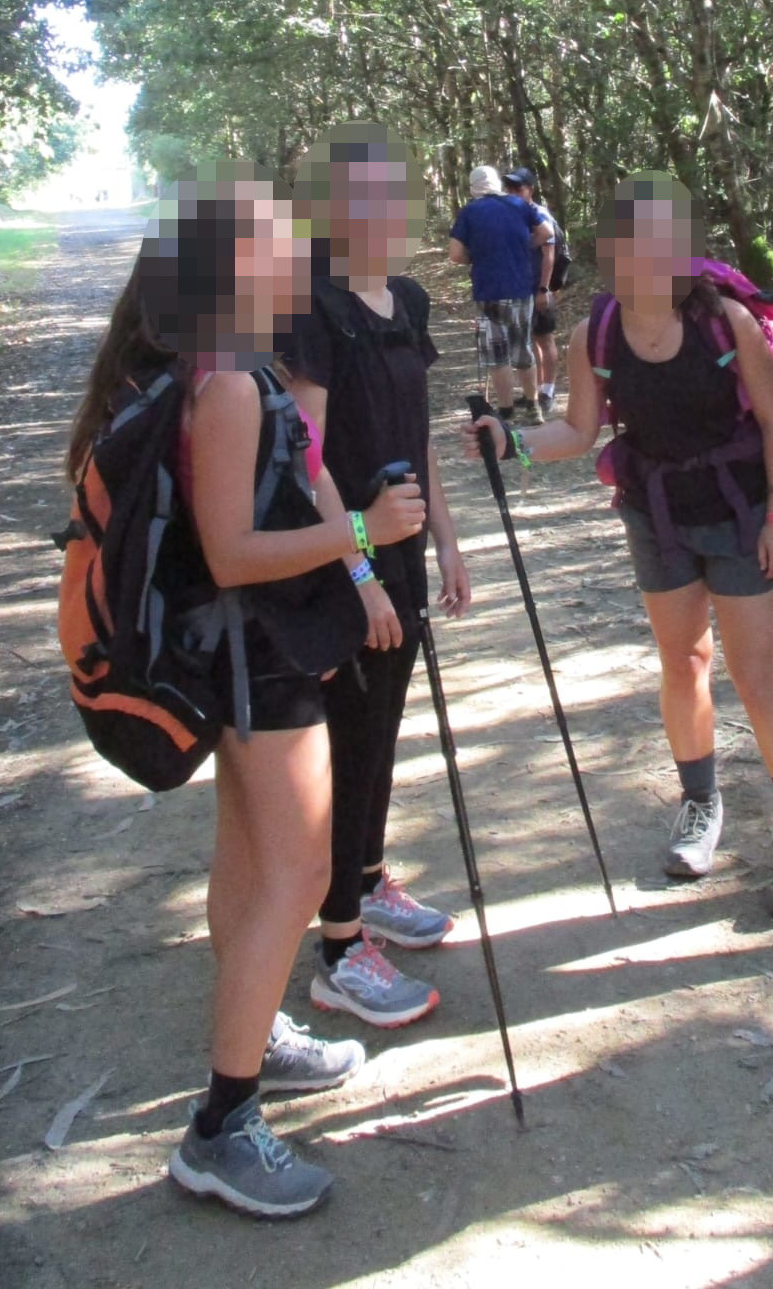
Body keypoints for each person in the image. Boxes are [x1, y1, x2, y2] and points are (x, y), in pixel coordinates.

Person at [65, 173, 426, 1218]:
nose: (296, 250)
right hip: (250, 660)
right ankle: (222, 1126)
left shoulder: (239, 360)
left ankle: (254, 1030)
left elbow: (293, 474)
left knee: (248, 858)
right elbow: (230, 551)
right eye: (275, 239)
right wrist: (366, 534)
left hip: (249, 654)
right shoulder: (223, 381)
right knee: (300, 870)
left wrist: (355, 563)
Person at [464, 173, 773, 916]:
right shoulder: (596, 333)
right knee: (683, 662)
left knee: (756, 676)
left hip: (739, 509)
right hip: (655, 511)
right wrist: (512, 443)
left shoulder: (725, 321)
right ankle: (700, 807)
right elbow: (580, 429)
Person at [284, 129, 472, 1030]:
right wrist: (356, 565)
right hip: (343, 555)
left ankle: (365, 880)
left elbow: (419, 433)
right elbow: (307, 456)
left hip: (399, 546)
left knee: (385, 727)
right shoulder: (310, 307)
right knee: (350, 741)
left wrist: (447, 542)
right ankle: (338, 948)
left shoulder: (406, 298)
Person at [448, 164, 553, 423]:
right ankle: (533, 406)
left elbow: (456, 254)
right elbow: (547, 232)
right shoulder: (519, 205)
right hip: (521, 288)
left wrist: (477, 257)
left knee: (497, 354)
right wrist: (523, 246)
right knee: (523, 348)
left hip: (488, 291)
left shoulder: (469, 212)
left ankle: (506, 411)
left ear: (473, 187)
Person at [504, 165, 563, 411]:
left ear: (530, 189)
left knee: (544, 337)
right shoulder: (512, 215)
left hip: (539, 286)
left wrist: (543, 289)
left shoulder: (539, 214)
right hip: (520, 287)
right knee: (528, 339)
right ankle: (535, 391)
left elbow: (549, 254)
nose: (513, 192)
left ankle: (548, 390)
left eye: (518, 188)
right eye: (509, 188)